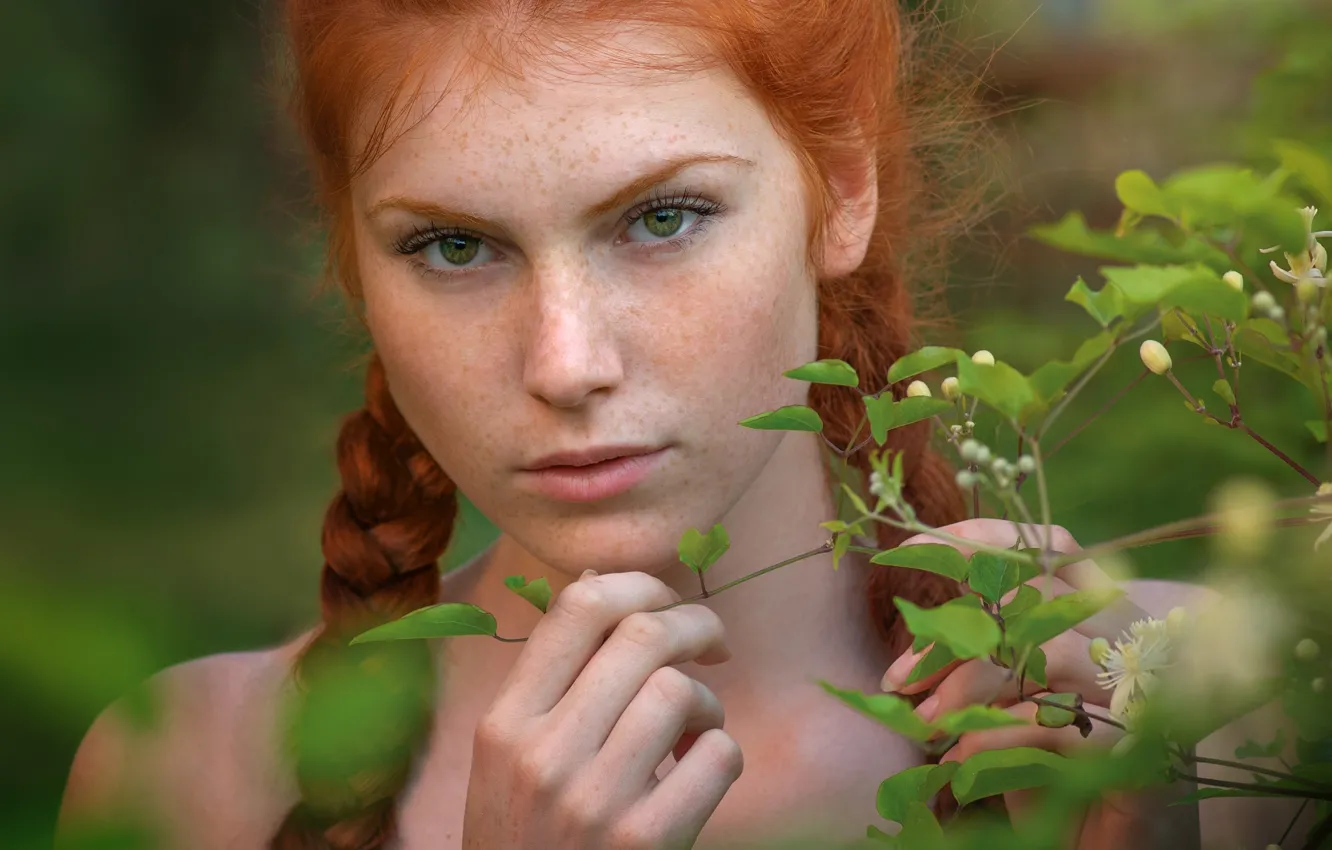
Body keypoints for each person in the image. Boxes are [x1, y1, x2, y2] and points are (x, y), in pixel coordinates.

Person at [55, 1, 1303, 848]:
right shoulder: (195, 775)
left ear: (843, 190)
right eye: (453, 245)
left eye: (662, 220)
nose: (565, 362)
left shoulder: (1230, 710)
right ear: (351, 258)